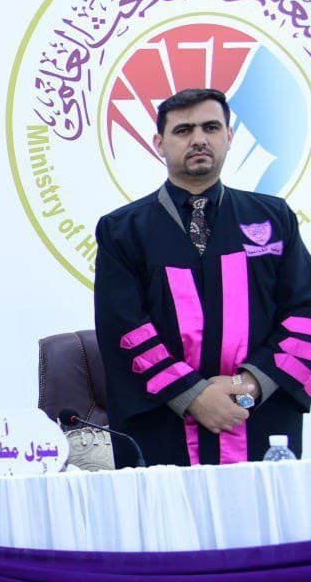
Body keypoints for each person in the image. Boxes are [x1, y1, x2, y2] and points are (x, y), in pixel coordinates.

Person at [95, 87, 311, 467]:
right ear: (159, 143)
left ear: (229, 136)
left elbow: (304, 312)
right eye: (183, 130)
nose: (198, 139)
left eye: (211, 127)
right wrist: (191, 394)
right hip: (163, 424)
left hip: (259, 416)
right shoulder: (122, 231)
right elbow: (124, 327)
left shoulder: (273, 219)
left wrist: (249, 383)